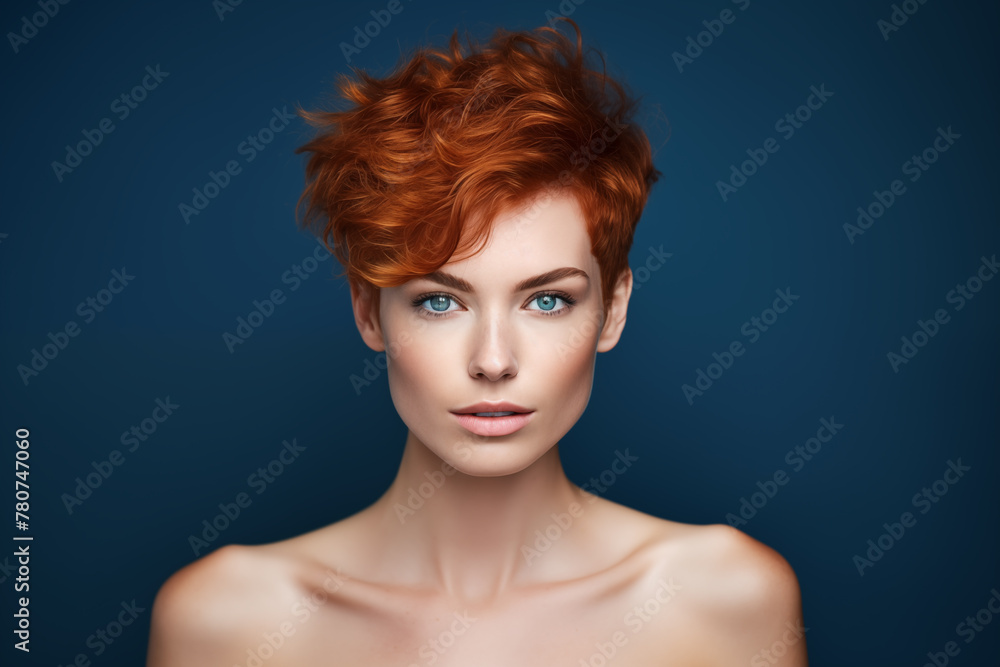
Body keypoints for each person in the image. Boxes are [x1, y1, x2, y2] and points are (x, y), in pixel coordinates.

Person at [146, 18, 807, 666]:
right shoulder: (227, 620)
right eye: (440, 301)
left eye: (548, 299)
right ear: (369, 313)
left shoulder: (725, 599)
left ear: (613, 309)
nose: (493, 360)